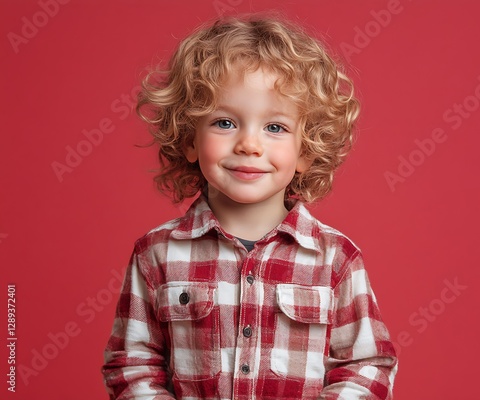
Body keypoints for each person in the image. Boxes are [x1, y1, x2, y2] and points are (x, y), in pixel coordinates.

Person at [102, 13, 398, 399]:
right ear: (190, 140)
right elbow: (132, 363)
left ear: (304, 151)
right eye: (225, 123)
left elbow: (366, 366)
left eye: (275, 127)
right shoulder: (156, 253)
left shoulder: (336, 259)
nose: (249, 145)